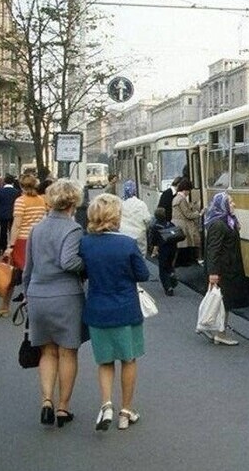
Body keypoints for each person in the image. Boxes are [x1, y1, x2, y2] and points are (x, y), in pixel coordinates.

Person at [80, 193, 150, 431]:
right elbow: (143, 274)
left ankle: (106, 404)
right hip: (125, 310)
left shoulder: (85, 244)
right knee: (128, 360)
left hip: (97, 311)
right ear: (115, 216)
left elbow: (82, 272)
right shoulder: (126, 244)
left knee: (105, 362)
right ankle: (125, 411)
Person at [21, 178, 87, 429]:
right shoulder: (73, 230)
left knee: (47, 352)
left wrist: (27, 293)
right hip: (65, 296)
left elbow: (28, 268)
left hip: (38, 294)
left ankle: (46, 400)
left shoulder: (37, 228)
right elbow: (69, 261)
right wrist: (85, 266)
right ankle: (63, 407)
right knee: (67, 352)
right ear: (73, 203)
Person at [203, 191, 249, 346]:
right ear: (222, 205)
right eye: (230, 202)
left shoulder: (227, 221)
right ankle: (220, 333)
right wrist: (213, 273)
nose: (233, 204)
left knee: (223, 302)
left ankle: (216, 330)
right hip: (223, 270)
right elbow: (213, 250)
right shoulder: (218, 224)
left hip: (228, 268)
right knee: (222, 303)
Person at [1, 174, 49, 315]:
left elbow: (16, 225)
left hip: (22, 240)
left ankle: (4, 307)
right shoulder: (41, 200)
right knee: (34, 273)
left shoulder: (20, 201)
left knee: (13, 274)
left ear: (20, 185)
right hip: (38, 239)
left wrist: (10, 246)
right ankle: (31, 303)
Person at [171, 178, 202, 267]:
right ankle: (184, 263)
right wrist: (199, 214)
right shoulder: (182, 199)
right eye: (188, 191)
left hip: (176, 223)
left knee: (179, 245)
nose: (189, 193)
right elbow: (188, 214)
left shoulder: (176, 198)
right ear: (185, 190)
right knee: (184, 244)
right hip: (182, 224)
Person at [118, 180, 152, 257]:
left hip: (124, 235)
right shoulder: (141, 204)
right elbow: (147, 219)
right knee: (140, 257)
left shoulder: (120, 204)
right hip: (138, 236)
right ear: (135, 191)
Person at [148, 207, 177, 296]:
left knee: (162, 268)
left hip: (163, 249)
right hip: (173, 248)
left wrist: (153, 249)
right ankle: (172, 274)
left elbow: (153, 240)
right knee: (169, 264)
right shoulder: (170, 223)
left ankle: (168, 288)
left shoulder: (155, 226)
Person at [0, 174, 19, 254]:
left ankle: (3, 247)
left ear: (4, 182)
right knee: (13, 230)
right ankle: (12, 246)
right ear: (13, 182)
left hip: (2, 214)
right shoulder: (16, 192)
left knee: (3, 231)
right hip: (13, 213)